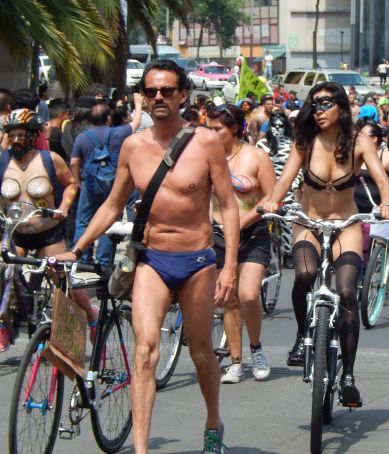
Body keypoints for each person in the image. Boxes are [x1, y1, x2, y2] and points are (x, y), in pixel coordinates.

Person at [57, 60, 239, 454]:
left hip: (197, 261)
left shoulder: (206, 142)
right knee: (144, 351)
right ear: (143, 96)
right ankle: (140, 448)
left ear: (182, 95)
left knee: (201, 352)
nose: (158, 97)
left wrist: (229, 268)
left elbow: (227, 205)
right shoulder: (133, 146)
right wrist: (78, 247)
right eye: (151, 91)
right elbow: (112, 205)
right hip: (153, 259)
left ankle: (213, 422)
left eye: (167, 90)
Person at [263, 81, 389, 406]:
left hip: (345, 225)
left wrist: (386, 203)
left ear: (341, 108)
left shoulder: (359, 141)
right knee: (305, 275)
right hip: (309, 221)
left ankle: (348, 376)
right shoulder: (305, 141)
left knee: (347, 292)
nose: (318, 111)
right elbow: (284, 180)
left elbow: (383, 181)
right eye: (314, 105)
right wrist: (272, 200)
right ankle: (301, 335)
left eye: (326, 104)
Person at [0, 108, 97, 352]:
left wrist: (63, 208)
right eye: (12, 135)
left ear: (33, 136)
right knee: (2, 269)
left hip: (48, 233)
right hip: (16, 233)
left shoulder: (49, 160)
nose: (16, 140)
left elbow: (71, 184)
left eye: (21, 135)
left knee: (62, 280)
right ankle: (6, 321)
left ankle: (90, 314)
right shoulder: (3, 161)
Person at [206, 104, 276, 384]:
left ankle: (256, 348)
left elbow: (271, 196)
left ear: (234, 128)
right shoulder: (206, 157)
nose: (211, 134)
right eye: (208, 129)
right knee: (228, 298)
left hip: (252, 233)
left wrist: (243, 221)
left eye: (217, 129)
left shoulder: (256, 156)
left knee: (248, 294)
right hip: (218, 235)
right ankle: (236, 361)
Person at [70, 94, 143, 266]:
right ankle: (103, 261)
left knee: (83, 221)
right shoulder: (118, 132)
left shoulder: (83, 137)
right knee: (110, 220)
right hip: (113, 182)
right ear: (108, 118)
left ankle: (82, 257)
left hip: (90, 183)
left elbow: (74, 162)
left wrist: (76, 180)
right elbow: (136, 123)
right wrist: (138, 105)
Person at [256, 110, 301, 268]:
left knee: (287, 222)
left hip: (287, 189)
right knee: (262, 221)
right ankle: (262, 252)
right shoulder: (261, 145)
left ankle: (288, 252)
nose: (277, 129)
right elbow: (255, 166)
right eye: (274, 126)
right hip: (265, 189)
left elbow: (298, 168)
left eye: (281, 126)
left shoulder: (292, 145)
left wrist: (295, 184)